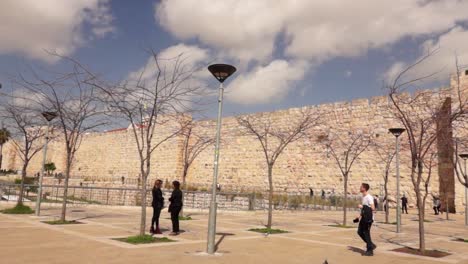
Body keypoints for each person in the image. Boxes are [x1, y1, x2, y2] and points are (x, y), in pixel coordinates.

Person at [353, 183, 376, 257]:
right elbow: (364, 210)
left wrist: (362, 206)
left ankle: (370, 251)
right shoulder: (363, 197)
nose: (360, 188)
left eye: (361, 187)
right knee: (359, 232)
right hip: (363, 218)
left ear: (364, 189)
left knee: (366, 233)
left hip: (368, 219)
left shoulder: (369, 197)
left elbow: (373, 208)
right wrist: (359, 216)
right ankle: (371, 244)